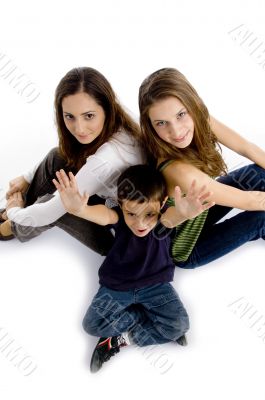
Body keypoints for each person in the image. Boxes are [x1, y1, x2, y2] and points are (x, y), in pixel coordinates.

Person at [52, 165, 213, 372]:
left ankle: (119, 340)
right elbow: (103, 215)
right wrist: (80, 210)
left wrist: (184, 213)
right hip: (117, 287)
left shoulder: (163, 221)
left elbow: (173, 217)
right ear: (121, 206)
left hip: (156, 286)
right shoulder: (117, 218)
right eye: (131, 214)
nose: (140, 223)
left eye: (149, 214)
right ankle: (145, 317)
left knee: (179, 326)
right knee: (91, 325)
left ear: (163, 203)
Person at [1, 67, 144, 255]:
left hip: (124, 237)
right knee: (57, 157)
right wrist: (27, 177)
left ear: (106, 108)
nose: (79, 128)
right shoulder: (118, 117)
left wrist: (13, 210)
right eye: (70, 117)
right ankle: (20, 212)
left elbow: (48, 212)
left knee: (61, 205)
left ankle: (8, 227)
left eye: (89, 116)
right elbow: (66, 152)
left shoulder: (106, 160)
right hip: (110, 199)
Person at [138, 67, 265, 268]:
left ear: (193, 105)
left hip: (200, 210)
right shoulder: (177, 171)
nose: (176, 130)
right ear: (151, 125)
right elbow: (250, 201)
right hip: (184, 247)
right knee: (261, 217)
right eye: (161, 123)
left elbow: (246, 147)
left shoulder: (200, 119)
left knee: (258, 174)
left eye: (181, 115)